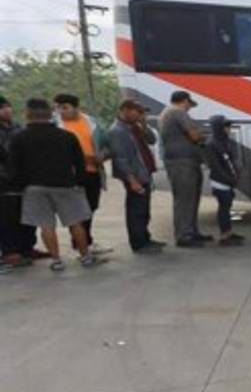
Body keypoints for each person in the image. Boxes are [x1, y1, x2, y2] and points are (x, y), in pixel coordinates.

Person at [7, 98, 103, 270]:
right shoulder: (66, 136)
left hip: (34, 187)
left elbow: (14, 167)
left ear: (27, 114)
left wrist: (19, 186)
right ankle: (85, 256)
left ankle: (56, 260)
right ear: (51, 113)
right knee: (76, 222)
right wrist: (79, 182)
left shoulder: (18, 138)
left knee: (46, 225)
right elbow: (79, 163)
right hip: (66, 185)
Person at [54, 93, 112, 255]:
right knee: (76, 211)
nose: (61, 111)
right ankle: (82, 244)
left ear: (77, 107)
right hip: (71, 175)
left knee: (90, 207)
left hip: (93, 171)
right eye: (58, 108)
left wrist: (102, 156)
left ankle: (85, 241)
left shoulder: (92, 123)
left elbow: (107, 145)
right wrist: (80, 158)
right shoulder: (55, 126)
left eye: (65, 107)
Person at [107, 99, 164, 253]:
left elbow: (152, 140)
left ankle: (145, 238)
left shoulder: (135, 127)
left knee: (144, 209)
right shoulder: (117, 131)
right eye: (138, 112)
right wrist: (131, 180)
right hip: (134, 175)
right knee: (136, 211)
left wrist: (143, 125)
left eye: (142, 112)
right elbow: (120, 158)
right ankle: (138, 243)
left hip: (143, 172)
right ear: (125, 110)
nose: (140, 115)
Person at [159, 90, 209, 247]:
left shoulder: (167, 113)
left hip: (180, 161)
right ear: (185, 101)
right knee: (185, 199)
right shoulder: (178, 112)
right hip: (182, 162)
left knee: (189, 198)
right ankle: (184, 235)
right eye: (189, 105)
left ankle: (191, 231)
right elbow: (194, 135)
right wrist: (202, 136)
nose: (189, 108)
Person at [1, 95, 39, 271]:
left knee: (28, 215)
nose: (6, 110)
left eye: (7, 106)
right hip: (4, 182)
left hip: (24, 179)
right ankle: (10, 252)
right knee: (7, 219)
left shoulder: (17, 127)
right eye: (2, 108)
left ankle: (27, 248)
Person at [204, 115, 245, 246]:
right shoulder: (211, 144)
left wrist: (234, 177)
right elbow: (215, 166)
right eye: (226, 126)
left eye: (229, 126)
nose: (228, 128)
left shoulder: (225, 141)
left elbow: (231, 160)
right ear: (218, 127)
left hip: (228, 180)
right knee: (224, 208)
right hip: (220, 181)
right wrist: (229, 179)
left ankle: (228, 232)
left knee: (227, 207)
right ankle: (224, 236)